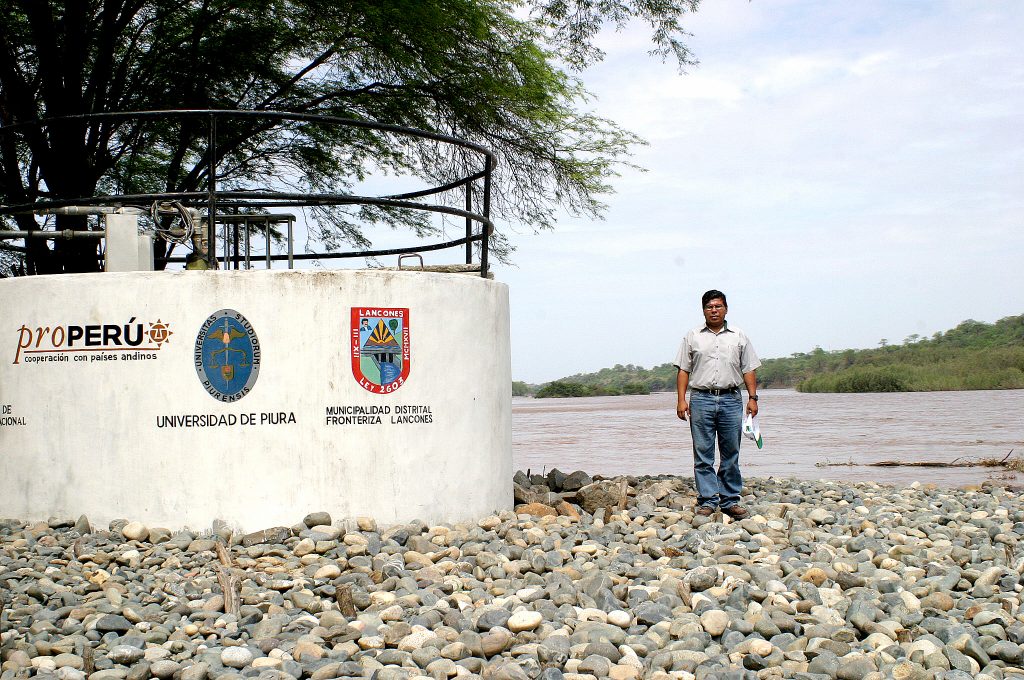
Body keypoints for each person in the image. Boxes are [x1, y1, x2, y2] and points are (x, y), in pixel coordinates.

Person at [674, 289, 760, 518]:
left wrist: (753, 398)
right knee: (703, 453)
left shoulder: (739, 336)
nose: (714, 310)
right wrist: (681, 400)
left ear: (726, 309)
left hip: (731, 399)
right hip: (701, 399)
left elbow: (748, 369)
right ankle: (708, 500)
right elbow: (683, 370)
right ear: (703, 310)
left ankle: (730, 500)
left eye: (718, 306)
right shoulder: (692, 336)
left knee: (731, 452)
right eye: (709, 307)